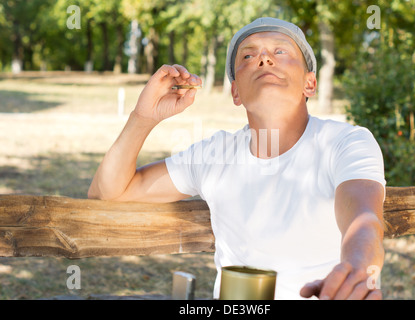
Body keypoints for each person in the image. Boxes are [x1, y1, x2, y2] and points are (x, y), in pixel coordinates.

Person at [88, 17, 386, 300]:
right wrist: (143, 117)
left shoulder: (345, 143)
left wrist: (357, 270)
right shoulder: (214, 155)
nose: (264, 59)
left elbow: (364, 218)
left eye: (280, 51)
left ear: (310, 83)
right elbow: (109, 193)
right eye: (248, 56)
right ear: (236, 92)